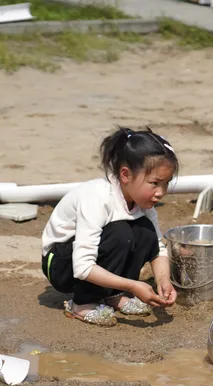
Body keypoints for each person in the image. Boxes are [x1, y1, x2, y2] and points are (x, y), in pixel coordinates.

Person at [40, 126, 178, 327]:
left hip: (88, 257)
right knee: (121, 233)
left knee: (144, 232)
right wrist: (133, 285)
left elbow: (158, 248)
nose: (161, 192)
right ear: (125, 175)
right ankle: (81, 303)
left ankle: (113, 295)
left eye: (166, 183)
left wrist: (163, 280)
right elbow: (82, 267)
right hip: (60, 263)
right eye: (155, 183)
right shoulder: (98, 198)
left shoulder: (144, 204)